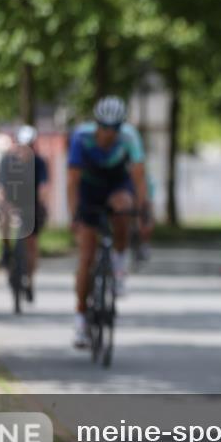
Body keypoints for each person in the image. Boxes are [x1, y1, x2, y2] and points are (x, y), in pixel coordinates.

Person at [67, 96, 151, 348]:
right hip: (89, 189)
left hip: (116, 185)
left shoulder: (129, 137)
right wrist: (74, 217)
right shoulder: (81, 137)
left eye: (115, 128)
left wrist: (143, 210)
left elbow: (138, 178)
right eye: (104, 127)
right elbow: (72, 182)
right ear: (97, 124)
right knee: (86, 256)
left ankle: (119, 261)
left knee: (124, 208)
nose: (109, 133)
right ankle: (81, 318)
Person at [0, 125, 50, 300]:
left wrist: (41, 204)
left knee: (32, 243)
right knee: (2, 213)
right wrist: (5, 203)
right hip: (12, 202)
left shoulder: (40, 163)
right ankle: (5, 247)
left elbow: (43, 187)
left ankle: (30, 281)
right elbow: (0, 188)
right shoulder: (7, 161)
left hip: (31, 204)